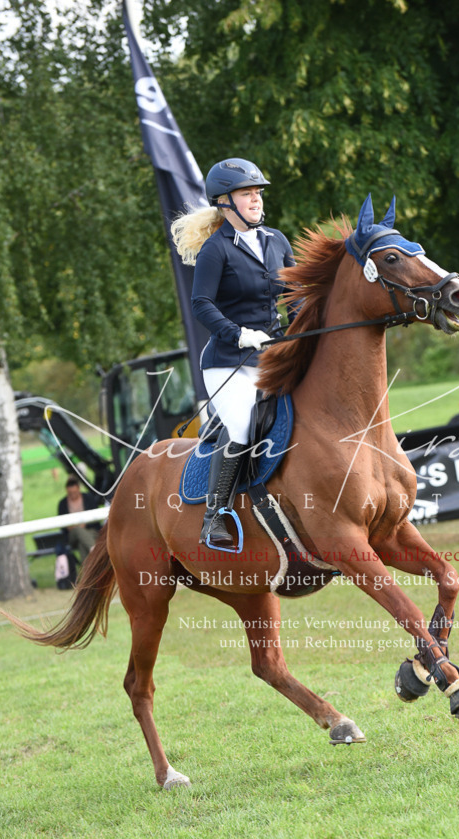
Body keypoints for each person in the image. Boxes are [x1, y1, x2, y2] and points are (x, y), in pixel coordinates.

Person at [172, 158, 295, 548]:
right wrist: (238, 333)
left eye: (258, 192)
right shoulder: (216, 250)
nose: (257, 199)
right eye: (248, 193)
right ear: (226, 203)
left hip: (273, 356)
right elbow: (202, 304)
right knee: (242, 426)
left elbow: (295, 297)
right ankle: (215, 517)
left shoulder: (277, 241)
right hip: (229, 361)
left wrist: (304, 329)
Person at [57, 475, 102, 564]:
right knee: (78, 530)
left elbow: (96, 519)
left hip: (90, 531)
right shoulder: (62, 504)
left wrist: (85, 524)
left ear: (78, 488)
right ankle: (95, 551)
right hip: (73, 534)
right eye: (70, 493)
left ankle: (86, 572)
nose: (73, 495)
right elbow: (62, 525)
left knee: (82, 544)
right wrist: (70, 527)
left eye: (74, 492)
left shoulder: (88, 498)